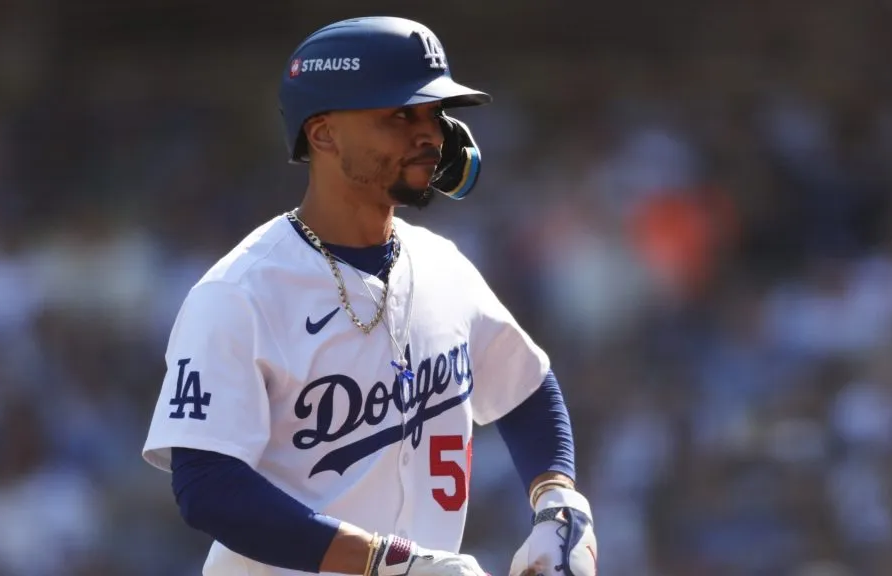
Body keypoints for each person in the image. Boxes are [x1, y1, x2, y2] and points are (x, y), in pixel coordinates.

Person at [141, 15, 597, 576]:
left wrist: (556, 500)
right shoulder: (239, 293)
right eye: (400, 115)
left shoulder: (443, 268)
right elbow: (206, 485)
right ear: (324, 132)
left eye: (434, 114)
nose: (430, 134)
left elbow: (526, 388)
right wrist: (386, 563)